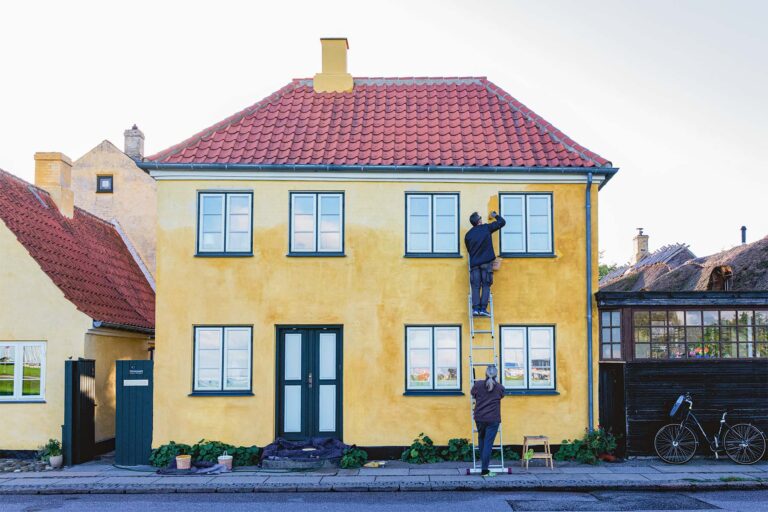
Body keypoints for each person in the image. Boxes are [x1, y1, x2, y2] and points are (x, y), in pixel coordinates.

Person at [464, 210, 506, 316]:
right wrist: (495, 215)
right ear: (479, 221)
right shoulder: (486, 228)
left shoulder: (468, 235)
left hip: (474, 265)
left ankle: (475, 309)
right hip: (486, 263)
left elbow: (469, 250)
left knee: (475, 286)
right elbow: (502, 222)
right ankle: (483, 309)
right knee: (486, 285)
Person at [471, 364, 505, 476]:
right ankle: (484, 470)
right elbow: (501, 396)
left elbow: (473, 394)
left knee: (481, 439)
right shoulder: (500, 387)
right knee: (488, 443)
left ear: (486, 373)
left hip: (479, 417)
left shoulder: (478, 385)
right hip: (493, 419)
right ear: (496, 374)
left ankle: (483, 467)